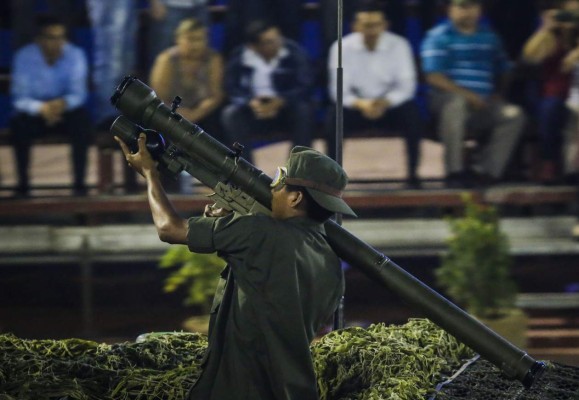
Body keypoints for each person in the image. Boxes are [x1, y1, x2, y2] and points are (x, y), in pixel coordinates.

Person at [114, 127, 355, 398]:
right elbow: (268, 285)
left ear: (296, 197)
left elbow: (168, 228)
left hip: (240, 388)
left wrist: (150, 174)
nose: (271, 188)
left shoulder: (259, 232)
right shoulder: (330, 262)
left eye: (278, 180)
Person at [420, 0, 526, 187]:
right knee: (456, 105)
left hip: (484, 103)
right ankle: (455, 172)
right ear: (450, 10)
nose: (467, 11)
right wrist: (468, 96)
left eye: (472, 6)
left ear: (480, 10)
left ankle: (486, 171)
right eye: (461, 6)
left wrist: (499, 93)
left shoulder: (490, 38)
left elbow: (505, 69)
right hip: (445, 100)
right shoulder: (438, 36)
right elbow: (434, 77)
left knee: (513, 115)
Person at [326, 1, 424, 188]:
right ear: (354, 26)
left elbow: (407, 87)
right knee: (334, 117)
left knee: (412, 113)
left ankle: (413, 175)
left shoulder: (400, 45)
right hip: (356, 108)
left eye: (376, 25)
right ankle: (332, 178)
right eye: (365, 25)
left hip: (389, 107)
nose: (371, 30)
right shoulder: (340, 48)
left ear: (385, 25)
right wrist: (362, 104)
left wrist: (384, 102)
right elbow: (338, 91)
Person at [9, 14, 91, 197]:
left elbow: (79, 93)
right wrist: (42, 108)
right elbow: (19, 97)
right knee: (18, 125)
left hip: (65, 110)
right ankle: (22, 186)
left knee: (82, 123)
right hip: (35, 113)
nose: (57, 42)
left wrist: (61, 104)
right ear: (39, 39)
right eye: (51, 38)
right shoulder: (24, 56)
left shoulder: (75, 55)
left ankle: (79, 186)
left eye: (61, 37)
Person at [220, 20, 314, 164]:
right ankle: (247, 172)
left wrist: (281, 101)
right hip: (253, 111)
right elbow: (231, 88)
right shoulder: (239, 57)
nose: (278, 43)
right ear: (254, 46)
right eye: (269, 41)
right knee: (230, 114)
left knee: (304, 111)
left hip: (285, 111)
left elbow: (305, 85)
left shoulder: (294, 53)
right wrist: (250, 102)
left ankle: (297, 171)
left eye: (278, 38)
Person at [149, 17, 224, 192]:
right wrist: (179, 115)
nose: (196, 45)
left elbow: (216, 95)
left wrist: (195, 114)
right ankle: (168, 188)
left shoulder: (213, 59)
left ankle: (221, 186)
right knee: (160, 128)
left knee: (221, 121)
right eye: (190, 39)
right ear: (178, 39)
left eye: (200, 39)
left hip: (203, 114)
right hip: (170, 114)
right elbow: (158, 97)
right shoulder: (166, 60)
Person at [522, 0, 579, 184]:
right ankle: (549, 163)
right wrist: (545, 29)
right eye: (567, 13)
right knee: (550, 109)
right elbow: (530, 57)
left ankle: (573, 170)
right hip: (556, 94)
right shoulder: (551, 35)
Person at [147, 0, 210, 70]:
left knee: (199, 55)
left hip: (200, 6)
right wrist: (155, 2)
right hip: (170, 6)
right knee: (162, 52)